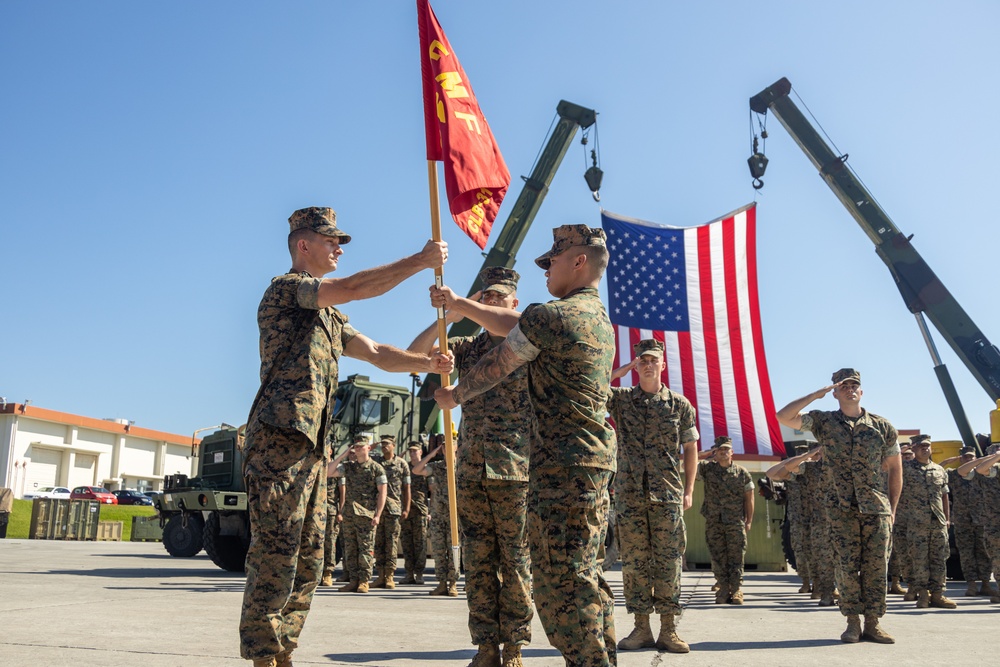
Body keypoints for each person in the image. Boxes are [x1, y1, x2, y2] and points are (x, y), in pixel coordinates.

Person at [239, 206, 452, 667]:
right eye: (331, 240)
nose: (338, 248)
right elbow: (354, 288)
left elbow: (378, 354)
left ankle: (283, 652)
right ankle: (262, 656)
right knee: (276, 552)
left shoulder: (330, 318)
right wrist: (418, 260)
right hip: (280, 439)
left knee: (310, 556)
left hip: (312, 448)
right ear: (303, 245)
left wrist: (428, 364)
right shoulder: (287, 289)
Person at [435, 224, 618, 667]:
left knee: (560, 585)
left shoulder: (554, 315)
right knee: (584, 577)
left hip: (563, 467)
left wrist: (455, 395)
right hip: (583, 463)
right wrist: (461, 306)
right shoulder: (594, 318)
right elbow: (513, 324)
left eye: (552, 259)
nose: (546, 268)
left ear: (578, 260)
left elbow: (499, 361)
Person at [409, 266, 533, 667]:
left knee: (515, 561)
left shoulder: (530, 339)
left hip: (515, 469)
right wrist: (447, 319)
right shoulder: (466, 347)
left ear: (514, 302)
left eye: (500, 297)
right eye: (487, 297)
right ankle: (485, 646)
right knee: (479, 561)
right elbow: (416, 353)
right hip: (472, 469)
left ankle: (514, 646)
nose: (492, 302)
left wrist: (464, 306)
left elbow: (519, 327)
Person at [776, 368, 901, 645]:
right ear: (834, 393)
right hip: (839, 507)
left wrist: (892, 509)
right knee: (846, 566)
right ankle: (852, 623)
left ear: (862, 390)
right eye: (843, 386)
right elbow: (784, 417)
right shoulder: (824, 422)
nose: (850, 389)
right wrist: (815, 395)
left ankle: (873, 623)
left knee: (877, 567)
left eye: (854, 385)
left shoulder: (882, 426)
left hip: (875, 508)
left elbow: (895, 469)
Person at [606, 338, 696, 653]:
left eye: (652, 360)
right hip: (629, 496)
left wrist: (689, 489)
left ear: (663, 365)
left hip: (668, 495)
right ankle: (641, 629)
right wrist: (623, 369)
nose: (647, 365)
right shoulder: (621, 400)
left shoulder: (680, 405)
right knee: (634, 563)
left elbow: (690, 448)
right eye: (641, 360)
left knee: (669, 563)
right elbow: (594, 387)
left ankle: (668, 630)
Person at [897, 435, 955, 609]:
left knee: (939, 559)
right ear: (913, 449)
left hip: (937, 521)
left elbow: (944, 495)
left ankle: (938, 595)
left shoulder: (939, 470)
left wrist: (947, 518)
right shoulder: (905, 468)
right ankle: (922, 594)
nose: (925, 449)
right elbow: (885, 466)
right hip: (915, 522)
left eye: (927, 446)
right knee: (919, 559)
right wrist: (902, 450)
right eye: (921, 446)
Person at [698, 437, 754, 605]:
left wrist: (749, 520)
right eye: (719, 450)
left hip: (735, 521)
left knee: (736, 556)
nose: (723, 452)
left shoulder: (742, 473)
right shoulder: (707, 469)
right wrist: (707, 453)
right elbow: (689, 460)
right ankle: (723, 589)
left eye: (726, 449)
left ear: (732, 452)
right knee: (717, 556)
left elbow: (749, 498)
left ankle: (736, 590)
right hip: (714, 521)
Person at [334, 435, 387, 594]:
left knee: (365, 549)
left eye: (361, 446)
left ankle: (364, 581)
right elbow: (329, 471)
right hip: (349, 515)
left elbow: (383, 493)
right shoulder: (348, 467)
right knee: (350, 549)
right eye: (355, 447)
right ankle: (353, 580)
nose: (357, 449)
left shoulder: (376, 468)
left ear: (368, 448)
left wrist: (378, 514)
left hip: (366, 515)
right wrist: (343, 454)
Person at [411, 435, 461, 597]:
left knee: (453, 550)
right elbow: (416, 470)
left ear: (455, 448)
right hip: (438, 514)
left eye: (449, 446)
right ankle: (441, 584)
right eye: (443, 447)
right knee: (439, 551)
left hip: (455, 515)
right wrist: (432, 454)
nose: (445, 449)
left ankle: (452, 584)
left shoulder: (461, 467)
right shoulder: (437, 466)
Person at [941, 446, 992, 596]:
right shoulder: (954, 474)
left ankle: (986, 583)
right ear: (960, 458)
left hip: (981, 519)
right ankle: (971, 585)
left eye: (971, 457)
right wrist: (946, 461)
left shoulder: (983, 472)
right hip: (963, 520)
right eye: (965, 457)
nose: (968, 459)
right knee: (966, 553)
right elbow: (935, 471)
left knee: (984, 552)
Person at [957, 443, 1000, 603]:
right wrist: (992, 457)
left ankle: (988, 585)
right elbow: (962, 471)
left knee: (988, 556)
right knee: (995, 556)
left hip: (985, 520)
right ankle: (974, 585)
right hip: (990, 521)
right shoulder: (983, 471)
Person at [372, 435, 410, 590]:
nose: (384, 446)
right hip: (378, 510)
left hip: (394, 508)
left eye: (387, 444)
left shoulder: (402, 464)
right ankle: (380, 575)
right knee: (379, 543)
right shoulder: (376, 463)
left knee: (392, 543)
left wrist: (406, 508)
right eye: (382, 444)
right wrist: (372, 446)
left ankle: (389, 576)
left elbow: (407, 489)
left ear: (394, 445)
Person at [400, 442, 430, 585]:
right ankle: (409, 573)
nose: (412, 454)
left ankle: (419, 573)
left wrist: (430, 510)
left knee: (420, 543)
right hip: (405, 510)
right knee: (406, 543)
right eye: (410, 451)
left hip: (420, 510)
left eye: (415, 451)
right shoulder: (404, 467)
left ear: (420, 452)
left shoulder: (425, 468)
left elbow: (433, 490)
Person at [320, 459, 342, 587]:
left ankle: (327, 572)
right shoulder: (314, 465)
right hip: (314, 509)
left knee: (329, 541)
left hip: (330, 509)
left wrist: (341, 511)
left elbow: (342, 491)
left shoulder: (335, 469)